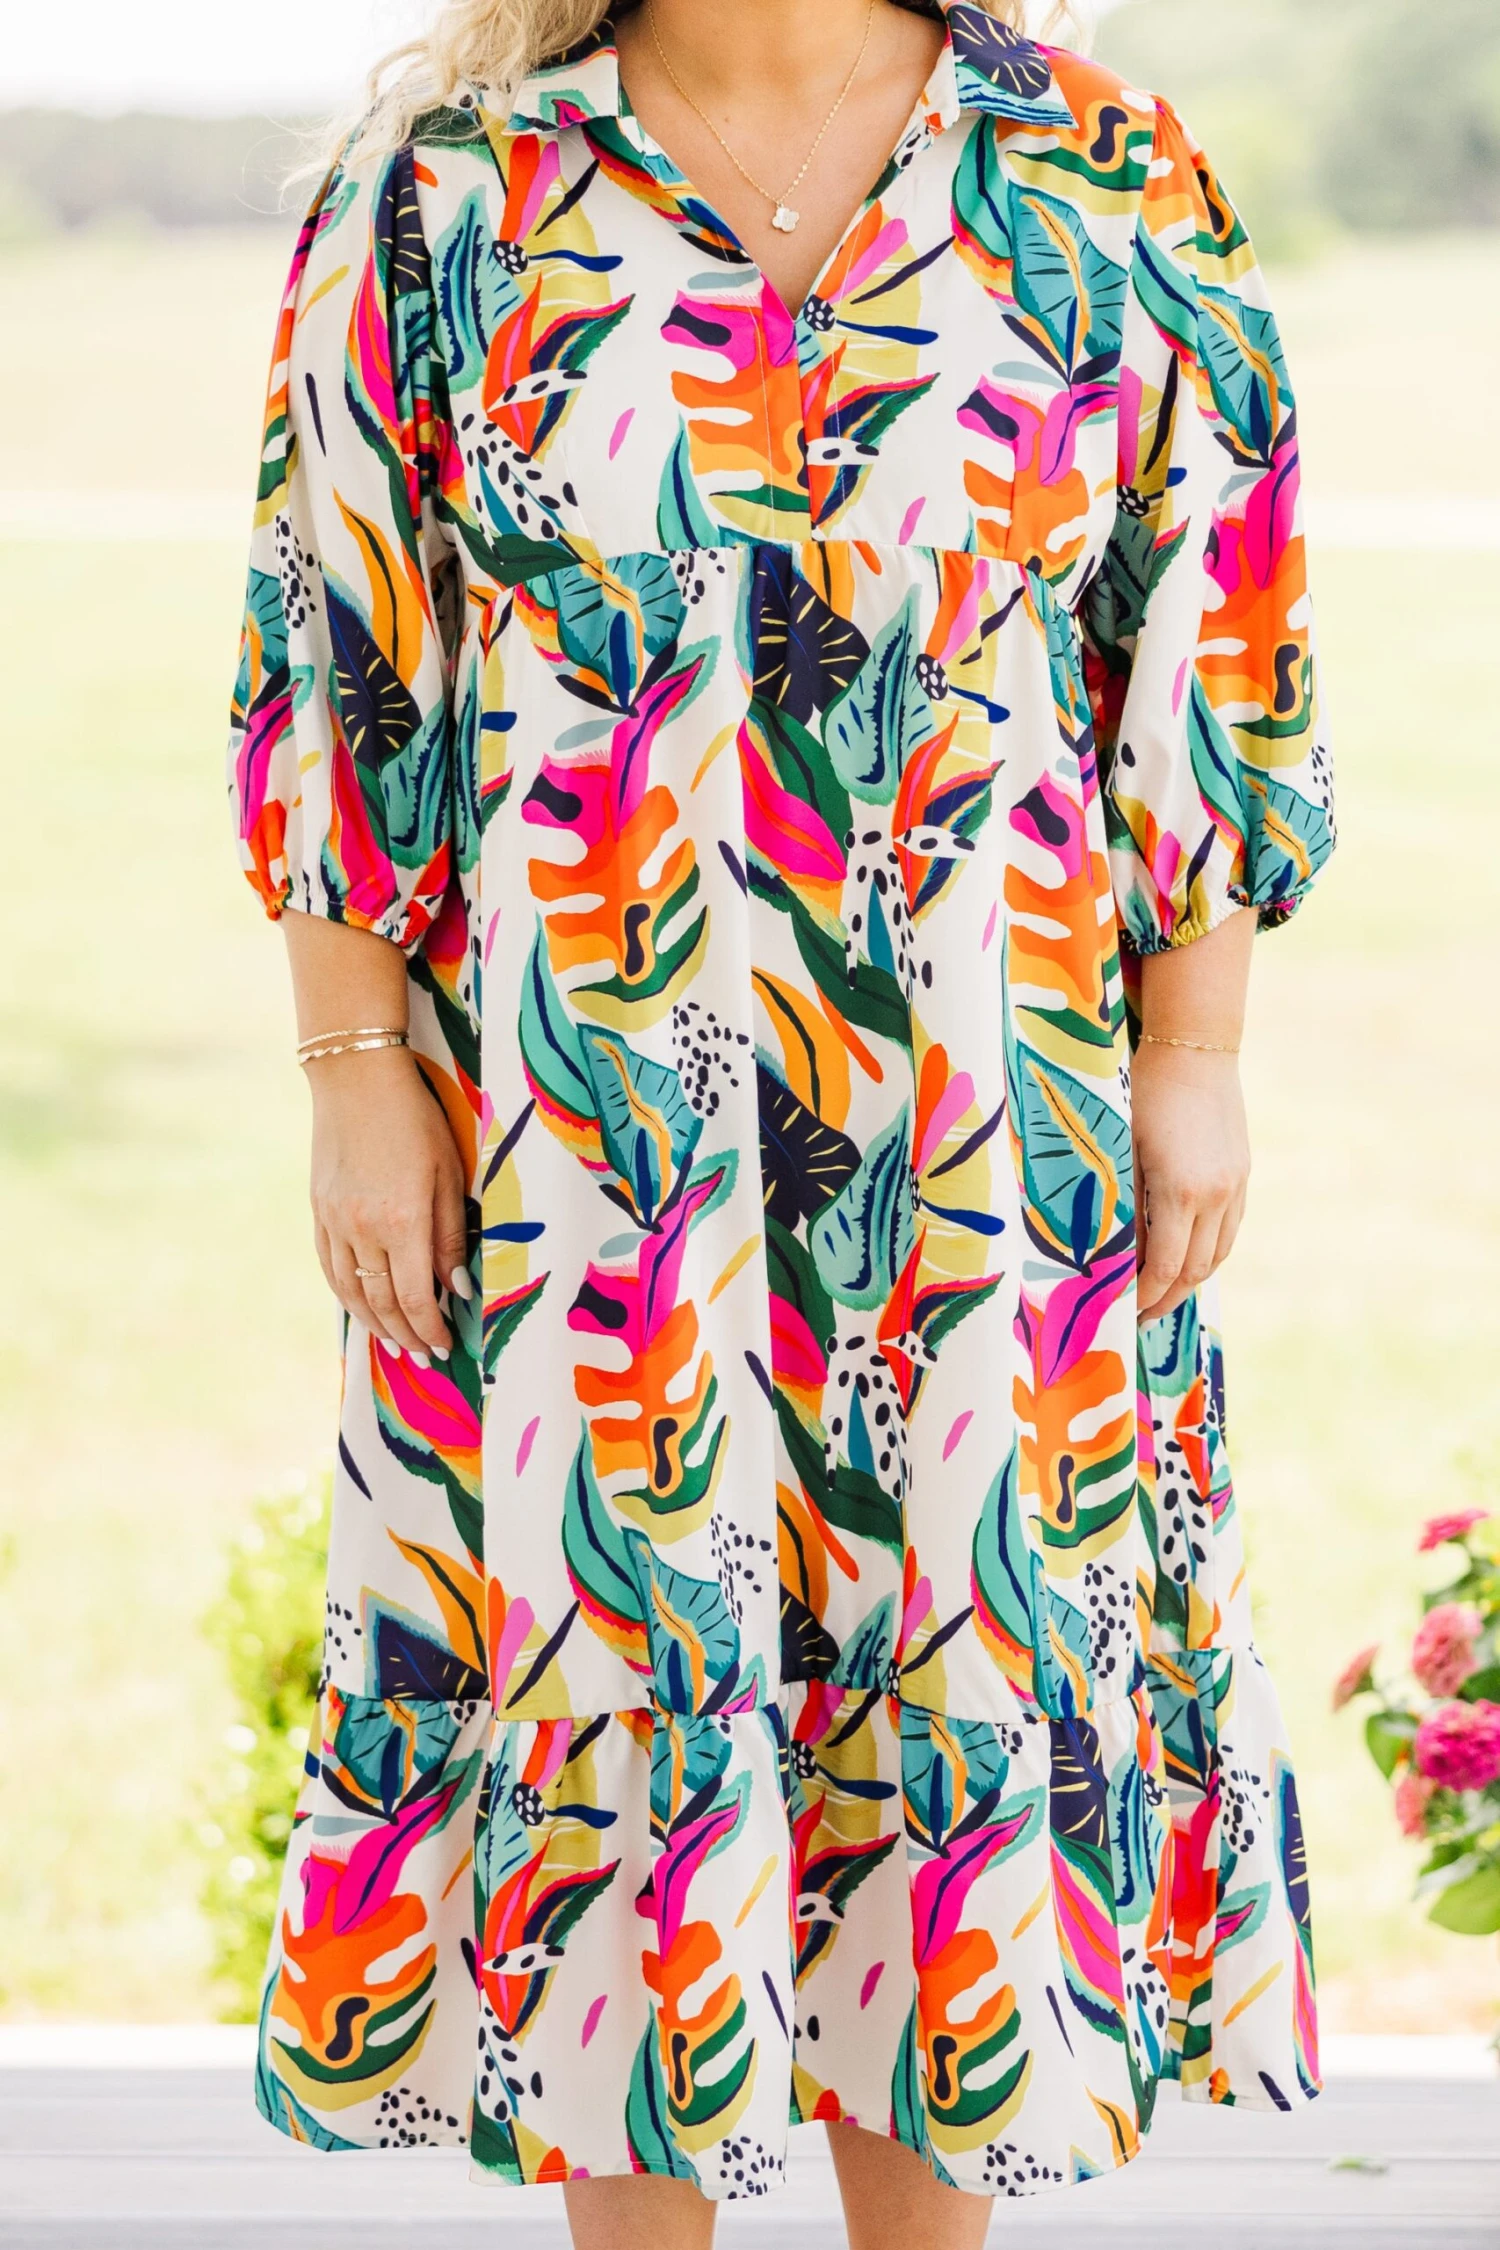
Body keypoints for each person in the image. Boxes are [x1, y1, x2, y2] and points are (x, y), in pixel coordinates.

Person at [227, 1, 1335, 2243]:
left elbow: (1214, 626)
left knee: (960, 1700)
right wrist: (353, 1077)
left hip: (992, 1135)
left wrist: (1199, 1051)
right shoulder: (448, 196)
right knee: (628, 1686)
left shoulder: (1103, 168)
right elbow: (334, 639)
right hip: (582, 1162)